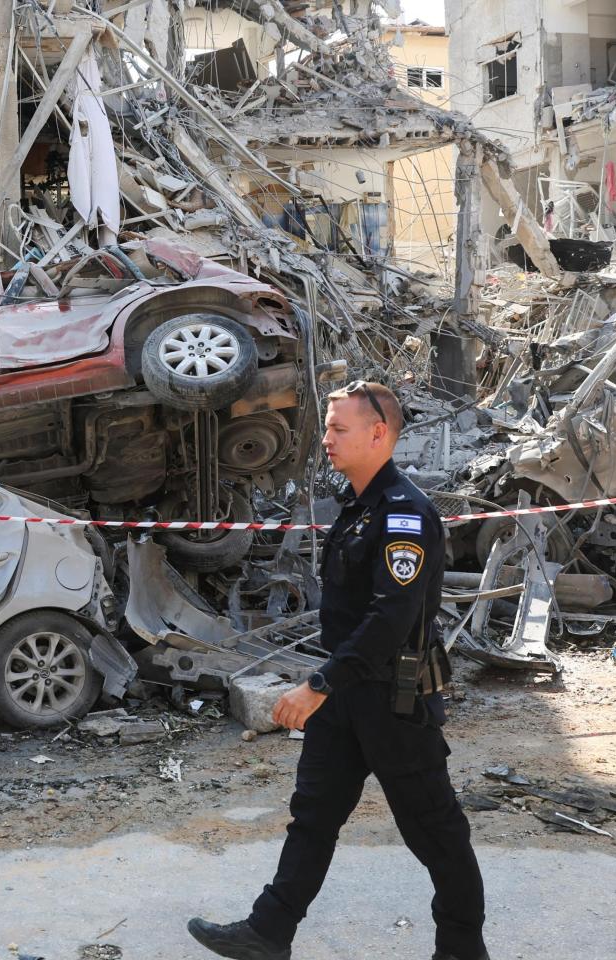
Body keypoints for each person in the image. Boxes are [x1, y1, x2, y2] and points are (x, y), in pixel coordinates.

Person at [186, 381, 488, 960]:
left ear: (379, 434)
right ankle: (267, 933)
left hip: (393, 702)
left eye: (338, 429)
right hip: (345, 697)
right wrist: (330, 687)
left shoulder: (404, 513)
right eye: (326, 427)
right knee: (314, 816)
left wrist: (318, 684)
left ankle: (462, 950)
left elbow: (388, 620)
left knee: (437, 834)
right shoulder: (357, 507)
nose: (325, 439)